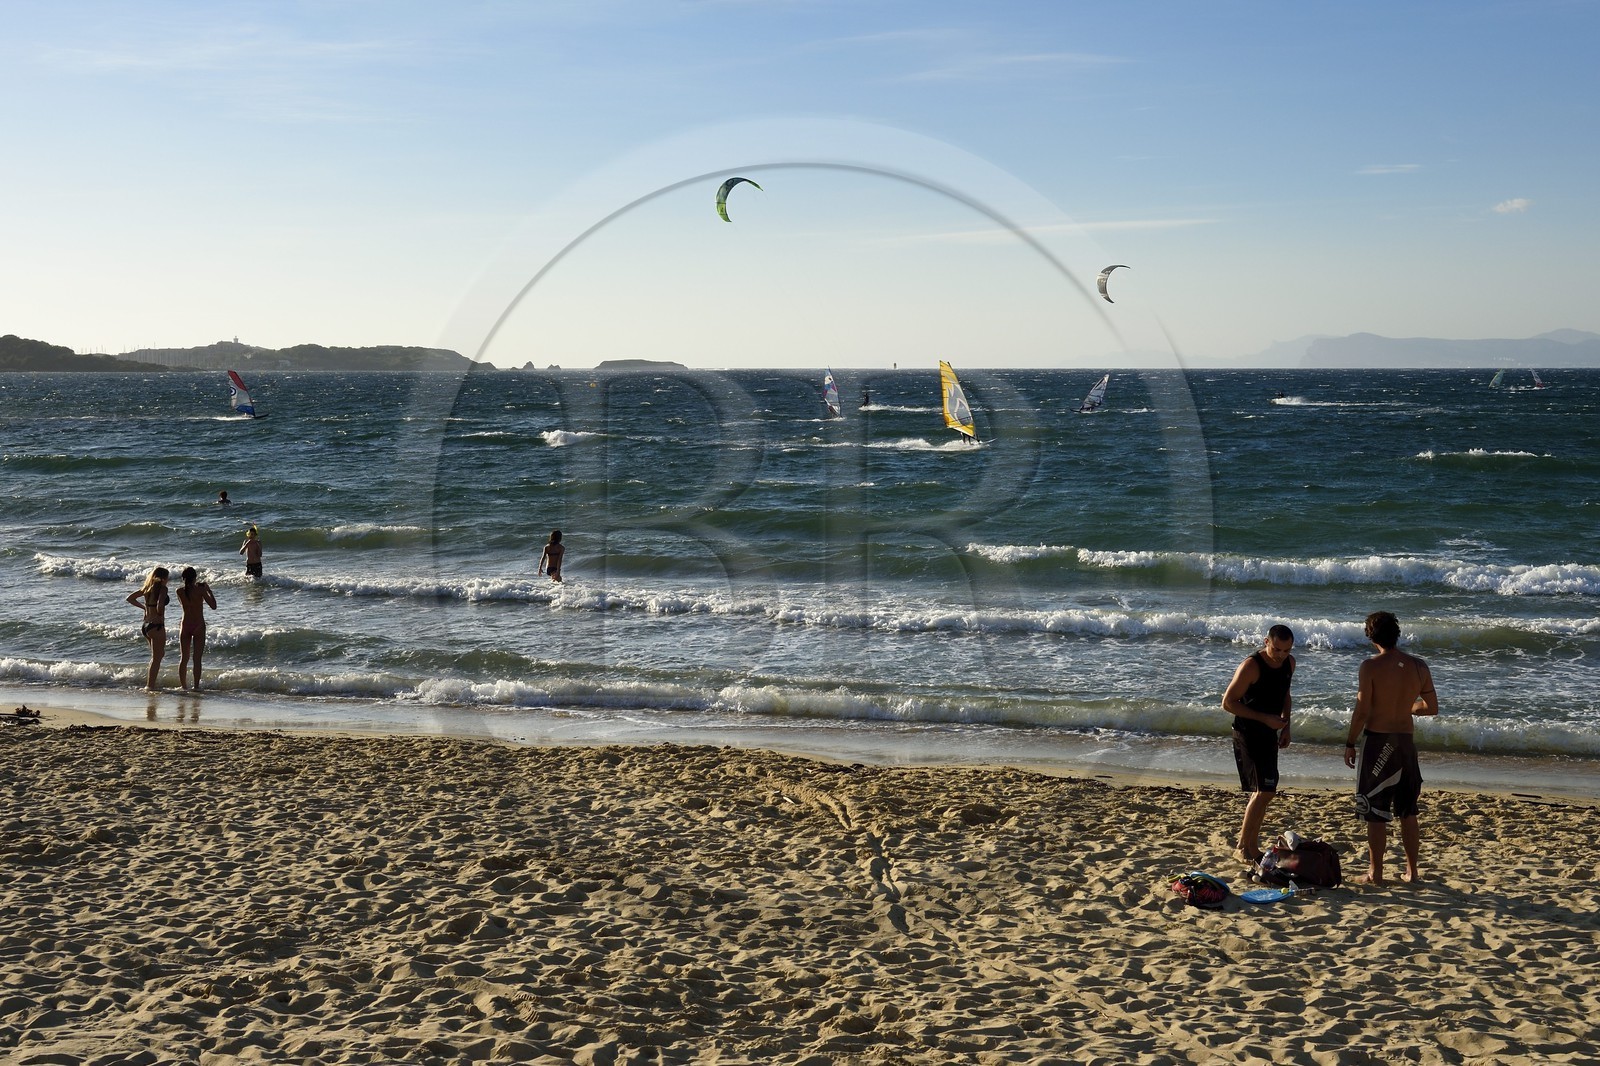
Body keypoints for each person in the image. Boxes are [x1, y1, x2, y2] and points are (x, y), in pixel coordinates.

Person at [1344, 611, 1438, 884]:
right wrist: (1407, 706)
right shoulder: (1419, 666)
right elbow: (1431, 707)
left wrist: (1350, 742)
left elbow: (1362, 711)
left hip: (1378, 743)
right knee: (1408, 810)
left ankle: (1376, 873)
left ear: (1370, 635)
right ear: (1396, 634)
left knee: (1375, 812)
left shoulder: (1370, 667)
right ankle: (1412, 872)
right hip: (1405, 744)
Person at [1221, 624, 1296, 864]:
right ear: (1266, 642)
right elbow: (1228, 702)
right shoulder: (1251, 666)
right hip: (1247, 732)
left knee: (1267, 791)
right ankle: (1245, 848)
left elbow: (1286, 695)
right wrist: (1265, 718)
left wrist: (1286, 726)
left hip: (1270, 733)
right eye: (1277, 649)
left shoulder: (1289, 663)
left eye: (1286, 650)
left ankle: (1249, 845)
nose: (1282, 655)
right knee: (1263, 790)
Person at [126, 567, 170, 691]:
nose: (168, 580)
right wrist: (160, 613)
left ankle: (151, 683)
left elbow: (130, 598)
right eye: (167, 578)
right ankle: (150, 686)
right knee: (157, 658)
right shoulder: (163, 589)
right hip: (157, 626)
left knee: (158, 655)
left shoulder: (147, 588)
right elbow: (160, 604)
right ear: (163, 578)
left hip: (146, 625)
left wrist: (145, 608)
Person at [175, 566, 217, 691]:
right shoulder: (200, 591)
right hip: (198, 625)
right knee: (197, 659)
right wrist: (208, 590)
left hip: (185, 625)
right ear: (195, 578)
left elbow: (184, 603)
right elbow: (213, 606)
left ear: (183, 578)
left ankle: (183, 686)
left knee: (184, 658)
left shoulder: (179, 591)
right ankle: (196, 686)